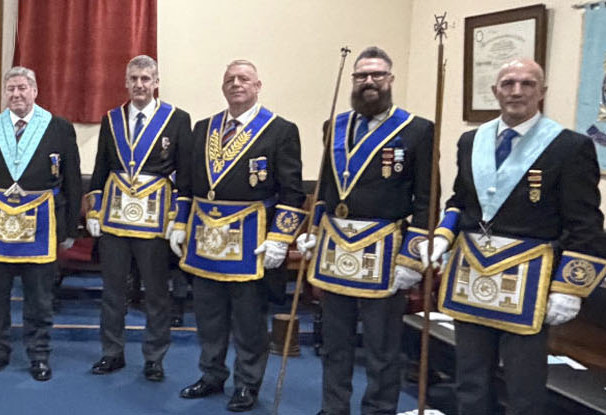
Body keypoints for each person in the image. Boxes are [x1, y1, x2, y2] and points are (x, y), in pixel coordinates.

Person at [416, 58, 606, 415]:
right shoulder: (472, 141)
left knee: (523, 386)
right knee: (470, 379)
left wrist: (569, 288)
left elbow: (585, 224)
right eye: (508, 83)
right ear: (495, 91)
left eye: (527, 84)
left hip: (529, 284)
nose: (517, 91)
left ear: (542, 92)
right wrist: (443, 234)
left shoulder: (569, 146)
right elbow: (462, 201)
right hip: (471, 274)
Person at [293, 46, 435, 415]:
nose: (368, 81)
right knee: (334, 341)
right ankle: (333, 407)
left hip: (384, 251)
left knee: (382, 346)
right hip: (335, 248)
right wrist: (315, 227)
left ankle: (379, 409)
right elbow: (326, 187)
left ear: (390, 80)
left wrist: (412, 258)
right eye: (361, 76)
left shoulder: (417, 130)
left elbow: (427, 200)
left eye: (376, 75)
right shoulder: (334, 125)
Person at [168, 59, 304, 412]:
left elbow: (292, 192)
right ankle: (212, 374)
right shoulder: (202, 129)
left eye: (244, 78)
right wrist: (180, 223)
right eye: (229, 79)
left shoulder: (279, 130)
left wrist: (280, 238)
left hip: (250, 241)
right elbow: (186, 185)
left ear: (258, 85)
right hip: (204, 240)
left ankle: (247, 384)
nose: (236, 84)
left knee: (248, 320)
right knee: (209, 315)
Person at [83, 55, 192, 381]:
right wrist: (94, 209)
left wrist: (180, 218)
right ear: (126, 82)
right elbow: (102, 169)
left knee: (157, 293)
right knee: (112, 290)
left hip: (156, 220)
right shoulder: (111, 119)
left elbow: (185, 175)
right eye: (134, 79)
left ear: (156, 82)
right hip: (115, 218)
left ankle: (154, 358)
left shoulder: (176, 119)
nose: (140, 85)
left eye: (146, 79)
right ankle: (112, 352)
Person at [0, 66, 82, 382]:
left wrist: (70, 228)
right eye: (11, 89)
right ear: (5, 93)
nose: (16, 94)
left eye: (22, 88)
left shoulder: (59, 128)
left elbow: (72, 178)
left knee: (39, 296)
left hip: (43, 225)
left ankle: (39, 355)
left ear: (35, 90)